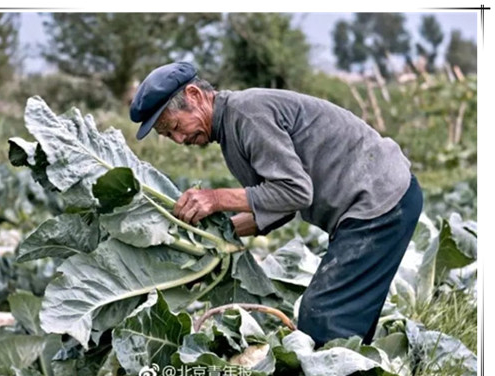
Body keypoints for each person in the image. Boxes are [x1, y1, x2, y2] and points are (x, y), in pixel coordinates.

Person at [129, 61, 423, 347]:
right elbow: (279, 205)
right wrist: (218, 236)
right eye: (168, 135)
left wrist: (216, 199)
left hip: (380, 202)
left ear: (194, 95)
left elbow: (294, 192)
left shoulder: (247, 115)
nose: (179, 139)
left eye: (175, 126)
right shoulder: (231, 131)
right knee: (343, 321)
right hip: (374, 204)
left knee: (321, 317)